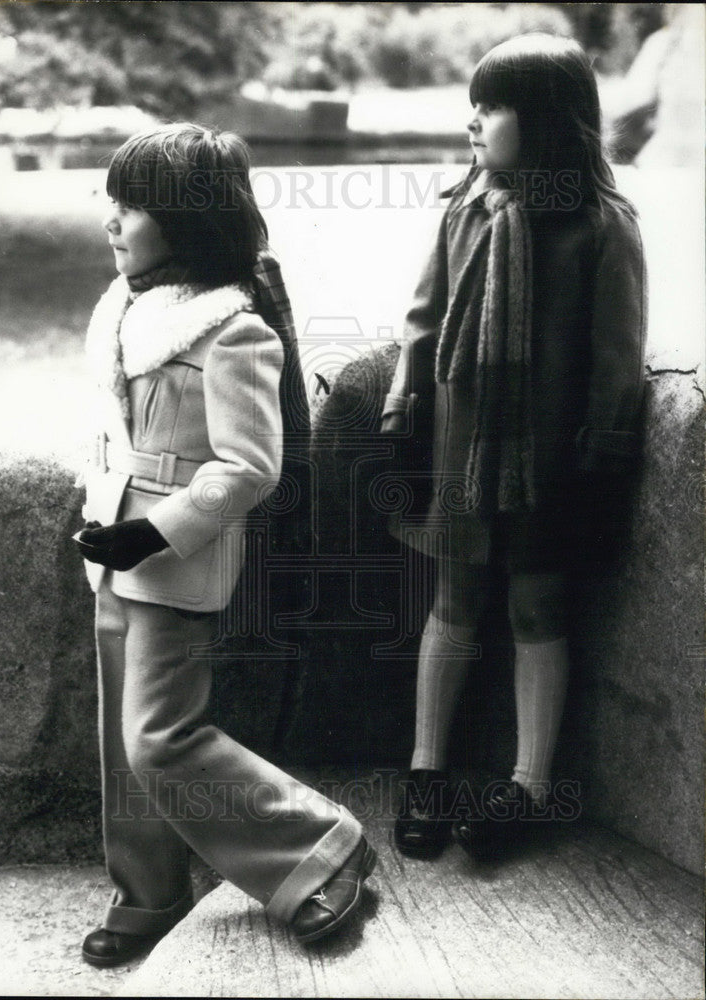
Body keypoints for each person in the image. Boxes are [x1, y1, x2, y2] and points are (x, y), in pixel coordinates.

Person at [73, 123, 376, 967]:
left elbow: (250, 468)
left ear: (186, 221)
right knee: (118, 745)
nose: (113, 223)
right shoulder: (128, 311)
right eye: (115, 206)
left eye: (131, 209)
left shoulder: (230, 329)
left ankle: (322, 847)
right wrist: (111, 520)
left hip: (175, 559)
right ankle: (149, 892)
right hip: (114, 552)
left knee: (162, 738)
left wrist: (153, 530)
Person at [381, 34, 647, 862]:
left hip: (549, 466)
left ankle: (528, 788)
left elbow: (617, 354)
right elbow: (422, 322)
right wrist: (405, 412)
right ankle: (427, 769)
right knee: (454, 601)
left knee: (539, 606)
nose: (474, 120)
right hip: (463, 449)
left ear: (549, 121)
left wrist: (602, 453)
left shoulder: (602, 227)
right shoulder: (463, 209)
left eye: (493, 106)